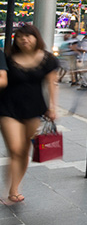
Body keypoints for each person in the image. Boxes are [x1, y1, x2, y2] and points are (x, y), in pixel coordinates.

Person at [0, 25, 58, 204]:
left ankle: (14, 189)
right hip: (8, 107)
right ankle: (11, 186)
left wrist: (52, 107)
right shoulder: (8, 58)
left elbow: (51, 84)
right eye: (20, 37)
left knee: (24, 150)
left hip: (34, 109)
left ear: (36, 37)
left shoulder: (48, 60)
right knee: (15, 149)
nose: (24, 39)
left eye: (28, 36)